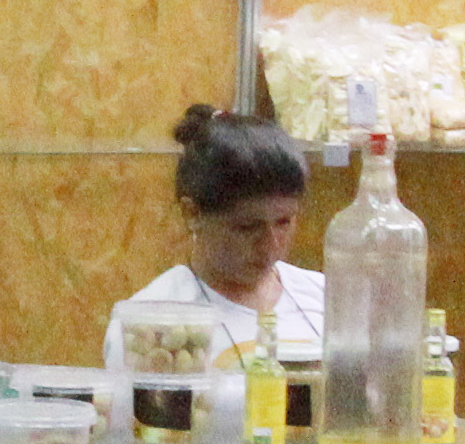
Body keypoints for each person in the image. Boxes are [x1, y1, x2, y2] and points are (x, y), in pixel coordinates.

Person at [108, 104, 321, 369]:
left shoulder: (326, 299)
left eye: (284, 222)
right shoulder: (150, 329)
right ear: (192, 214)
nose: (270, 245)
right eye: (247, 227)